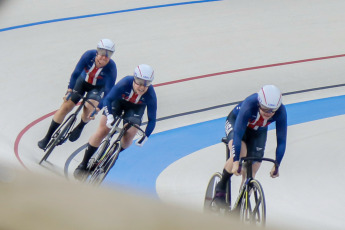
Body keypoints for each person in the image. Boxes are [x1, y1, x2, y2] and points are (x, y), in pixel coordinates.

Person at [73, 64, 157, 180]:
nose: (142, 87)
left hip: (135, 110)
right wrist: (110, 115)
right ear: (134, 78)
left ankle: (112, 154)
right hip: (116, 103)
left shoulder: (151, 95)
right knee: (103, 130)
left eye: (146, 83)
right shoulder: (125, 82)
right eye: (139, 82)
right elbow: (108, 99)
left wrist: (145, 136)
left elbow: (152, 119)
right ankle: (83, 164)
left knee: (129, 138)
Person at [214, 85, 287, 206]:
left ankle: (241, 205)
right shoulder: (249, 105)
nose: (268, 113)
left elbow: (282, 141)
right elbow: (237, 135)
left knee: (253, 169)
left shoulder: (281, 112)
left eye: (271, 110)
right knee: (241, 153)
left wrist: (277, 165)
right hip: (237, 124)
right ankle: (221, 186)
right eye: (264, 108)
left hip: (258, 130)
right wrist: (236, 161)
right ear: (259, 103)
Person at [38, 39, 117, 150]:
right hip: (81, 82)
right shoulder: (88, 55)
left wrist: (97, 109)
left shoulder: (112, 68)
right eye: (102, 53)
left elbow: (108, 93)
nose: (104, 57)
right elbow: (75, 73)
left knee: (89, 108)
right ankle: (47, 137)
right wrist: (70, 90)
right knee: (65, 107)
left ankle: (81, 125)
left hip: (97, 89)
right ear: (97, 52)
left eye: (108, 55)